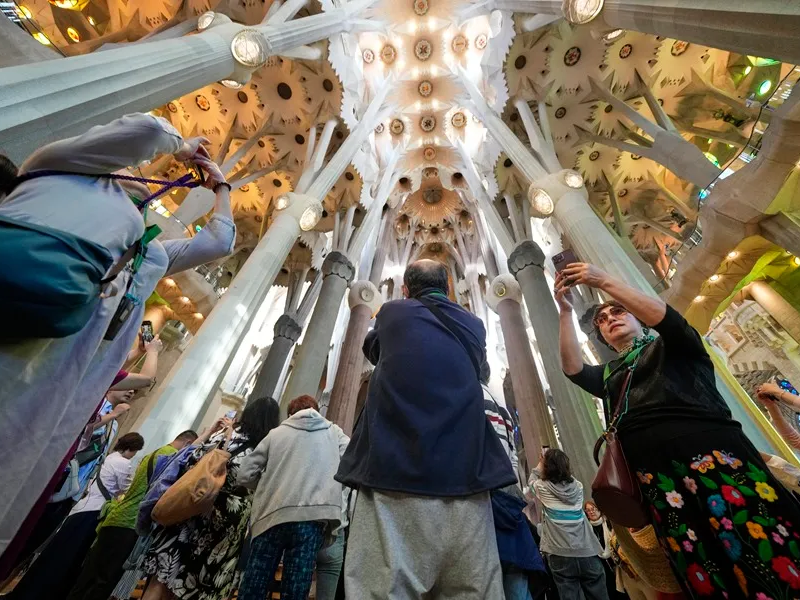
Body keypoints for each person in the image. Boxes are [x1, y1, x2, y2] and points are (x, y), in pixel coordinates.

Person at [0, 113, 234, 562]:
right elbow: (146, 131)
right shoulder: (57, 167)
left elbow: (221, 239)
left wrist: (220, 186)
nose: (145, 178)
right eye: (137, 168)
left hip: (54, 392)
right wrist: (182, 146)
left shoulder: (150, 253)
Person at [556, 261, 800, 599]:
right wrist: (565, 311)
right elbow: (572, 368)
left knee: (758, 536)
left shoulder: (674, 344)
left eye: (618, 312)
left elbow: (668, 319)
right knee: (697, 558)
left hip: (714, 459)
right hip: (657, 478)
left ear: (640, 318)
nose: (609, 318)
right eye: (601, 320)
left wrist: (604, 280)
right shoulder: (612, 374)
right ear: (605, 342)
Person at [336, 259, 514, 598]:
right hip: (467, 481)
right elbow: (476, 365)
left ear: (405, 290)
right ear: (448, 287)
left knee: (385, 588)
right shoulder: (474, 324)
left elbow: (372, 348)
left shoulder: (392, 314)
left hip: (394, 477)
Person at [136, 397, 280, 600]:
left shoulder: (223, 438)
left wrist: (211, 434)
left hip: (191, 507)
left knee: (162, 576)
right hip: (227, 520)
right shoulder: (265, 452)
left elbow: (189, 460)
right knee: (193, 584)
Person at [237, 395, 349, 600]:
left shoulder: (277, 433)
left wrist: (267, 486)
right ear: (317, 410)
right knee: (296, 589)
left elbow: (245, 474)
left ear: (290, 414)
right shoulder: (334, 432)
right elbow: (351, 463)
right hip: (312, 519)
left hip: (272, 516)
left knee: (255, 583)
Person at [63, 429, 197, 600]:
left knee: (88, 575)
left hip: (117, 516)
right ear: (187, 444)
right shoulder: (171, 457)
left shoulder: (156, 452)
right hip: (130, 522)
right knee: (104, 579)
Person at [8, 432, 145, 600]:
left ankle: (30, 591)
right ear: (132, 449)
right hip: (93, 512)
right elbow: (125, 489)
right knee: (68, 558)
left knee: (56, 554)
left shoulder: (111, 457)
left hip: (81, 509)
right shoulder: (124, 463)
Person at [526, 448, 608, 600]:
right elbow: (566, 478)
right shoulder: (578, 487)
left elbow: (531, 481)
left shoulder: (541, 487)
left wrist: (539, 464)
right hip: (586, 551)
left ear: (546, 467)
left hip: (560, 554)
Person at [584, 501, 625, 600]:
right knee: (609, 588)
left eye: (593, 509)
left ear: (599, 510)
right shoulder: (586, 529)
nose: (592, 512)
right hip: (600, 564)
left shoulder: (609, 523)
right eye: (588, 510)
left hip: (616, 560)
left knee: (622, 588)